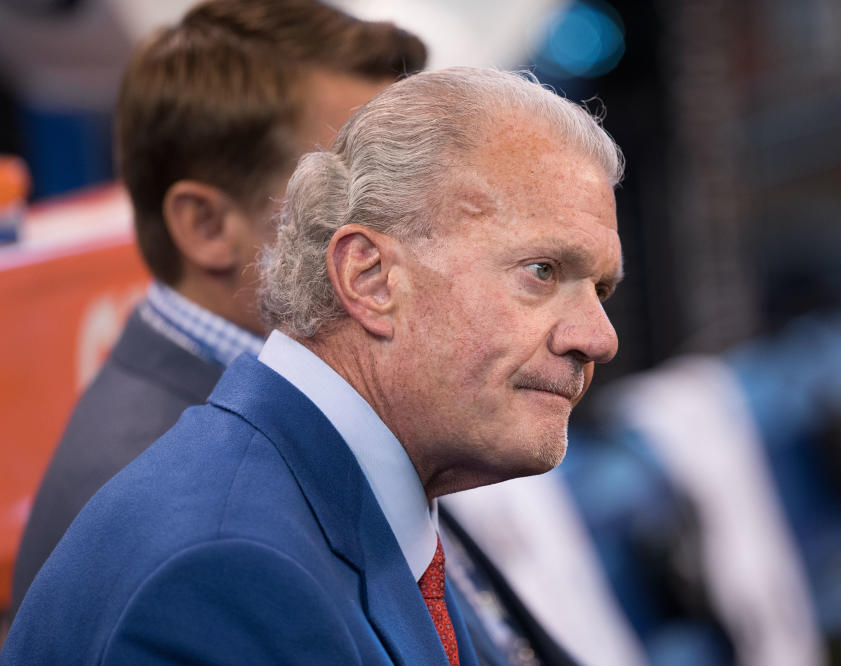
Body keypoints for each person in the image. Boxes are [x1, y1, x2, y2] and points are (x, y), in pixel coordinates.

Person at [2, 66, 623, 664]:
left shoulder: (330, 500)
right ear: (370, 278)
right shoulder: (230, 572)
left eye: (602, 290)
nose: (599, 338)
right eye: (542, 272)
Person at [8, 0, 424, 617]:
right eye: (362, 190)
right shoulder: (179, 504)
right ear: (206, 226)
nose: (418, 227)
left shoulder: (297, 398)